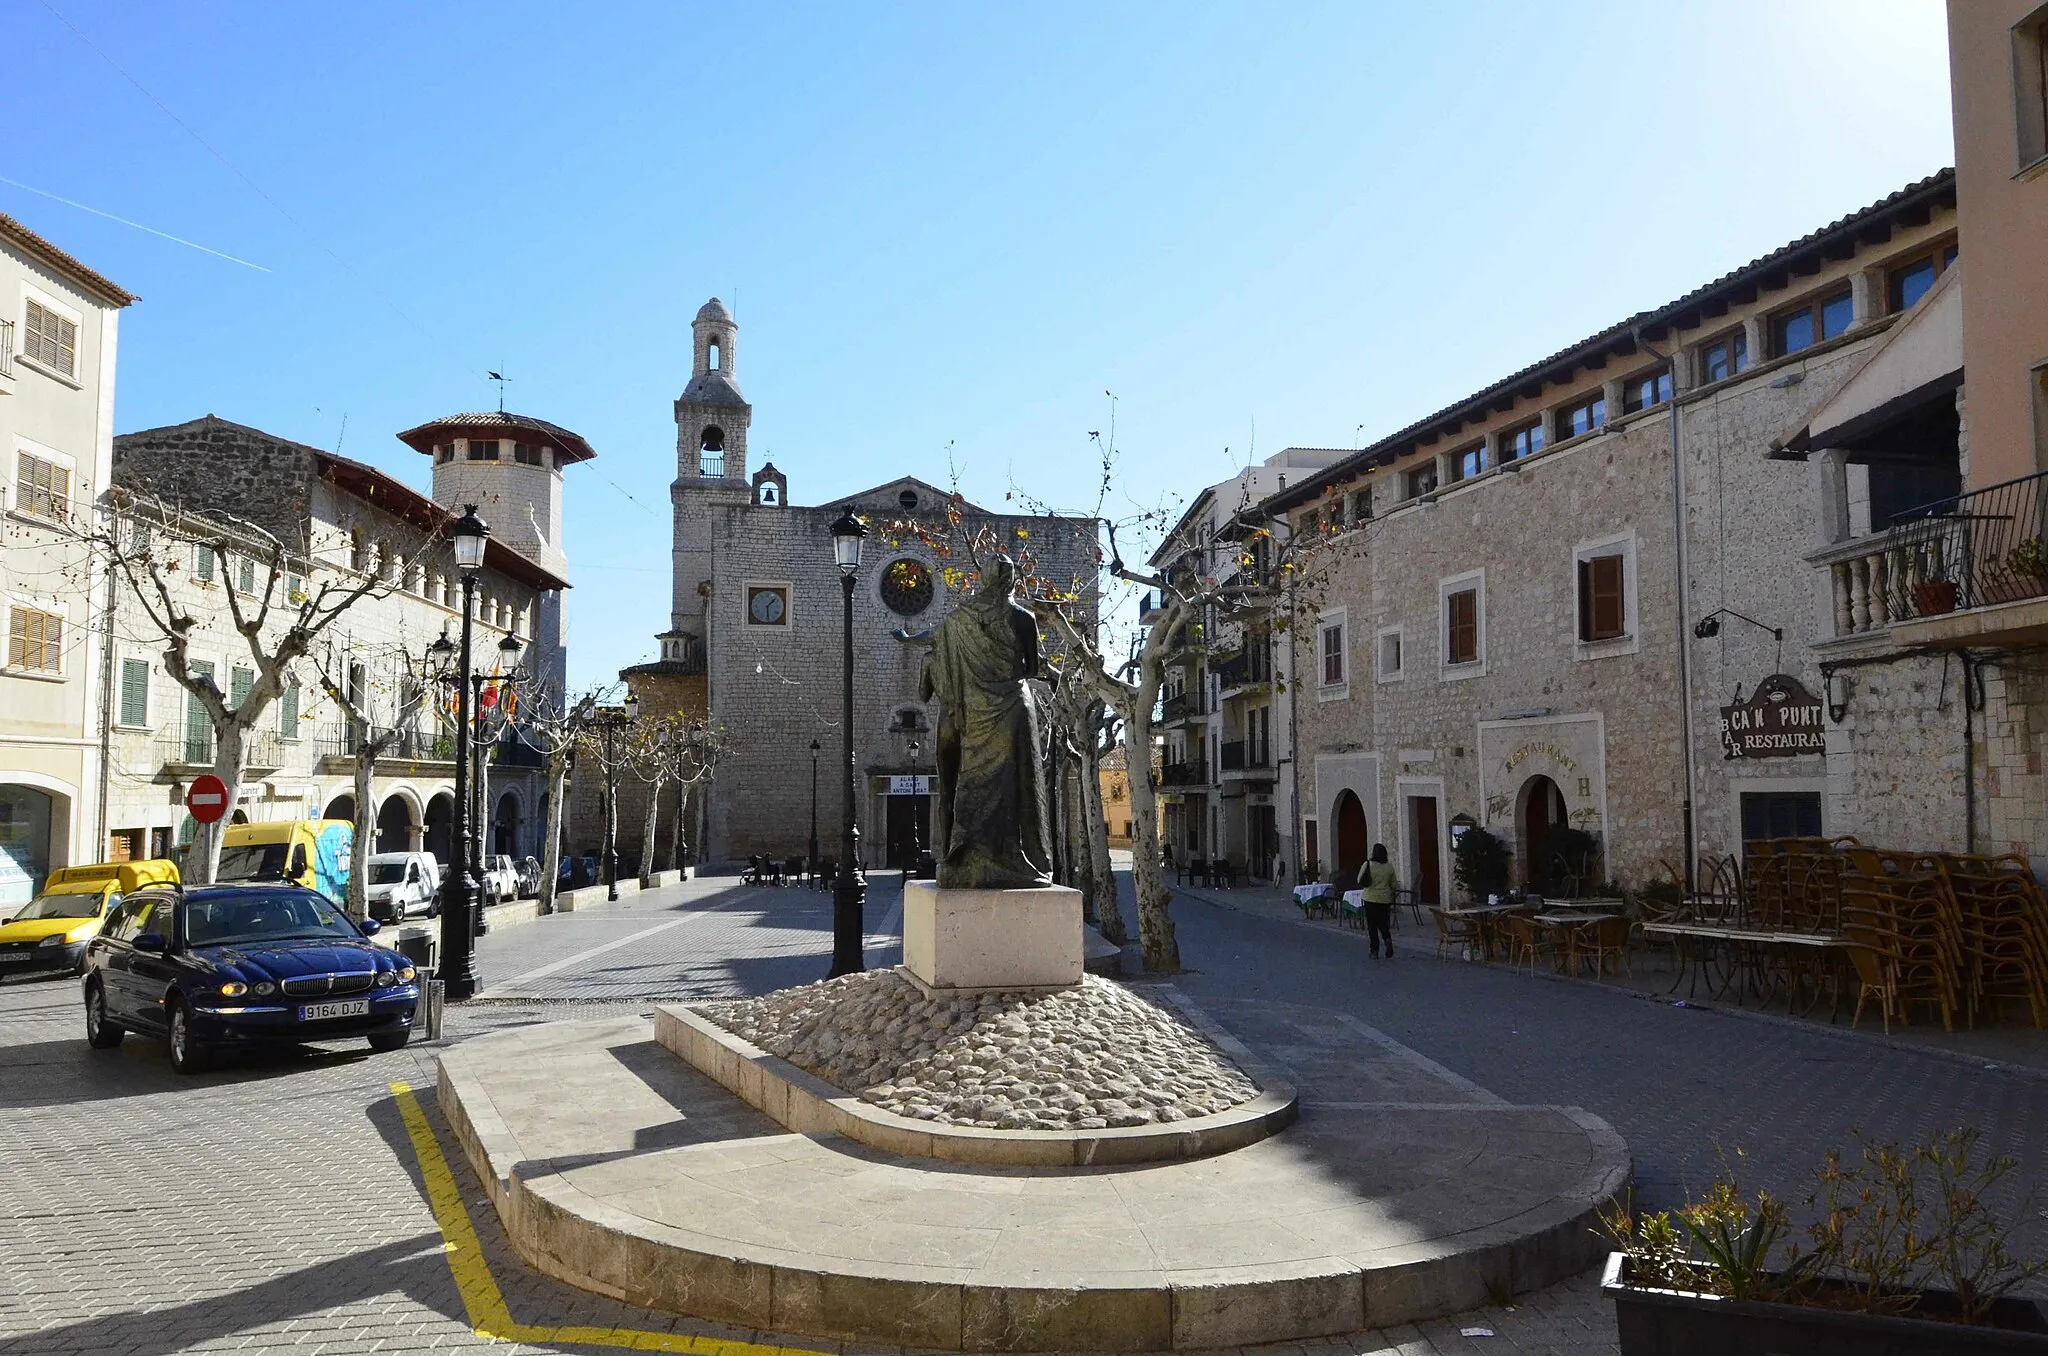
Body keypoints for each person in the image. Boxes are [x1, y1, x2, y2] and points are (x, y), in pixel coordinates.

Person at [1356, 843, 1398, 959]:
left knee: (1372, 925)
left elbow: (1359, 879)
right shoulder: (1389, 867)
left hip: (1370, 898)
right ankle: (1387, 939)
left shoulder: (1368, 864)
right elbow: (1394, 884)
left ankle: (1374, 950)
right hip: (1384, 899)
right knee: (1383, 922)